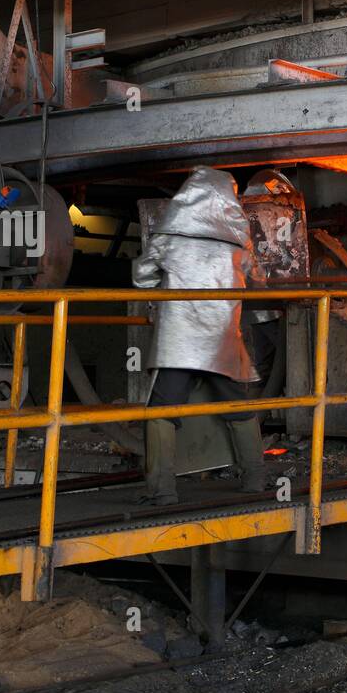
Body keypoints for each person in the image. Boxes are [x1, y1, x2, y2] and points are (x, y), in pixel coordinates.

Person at [133, 167, 268, 504]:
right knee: (239, 407)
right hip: (222, 338)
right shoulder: (239, 243)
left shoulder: (170, 236)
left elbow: (142, 277)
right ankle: (256, 479)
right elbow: (258, 282)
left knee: (162, 411)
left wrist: (160, 290)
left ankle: (162, 490)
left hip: (179, 340)